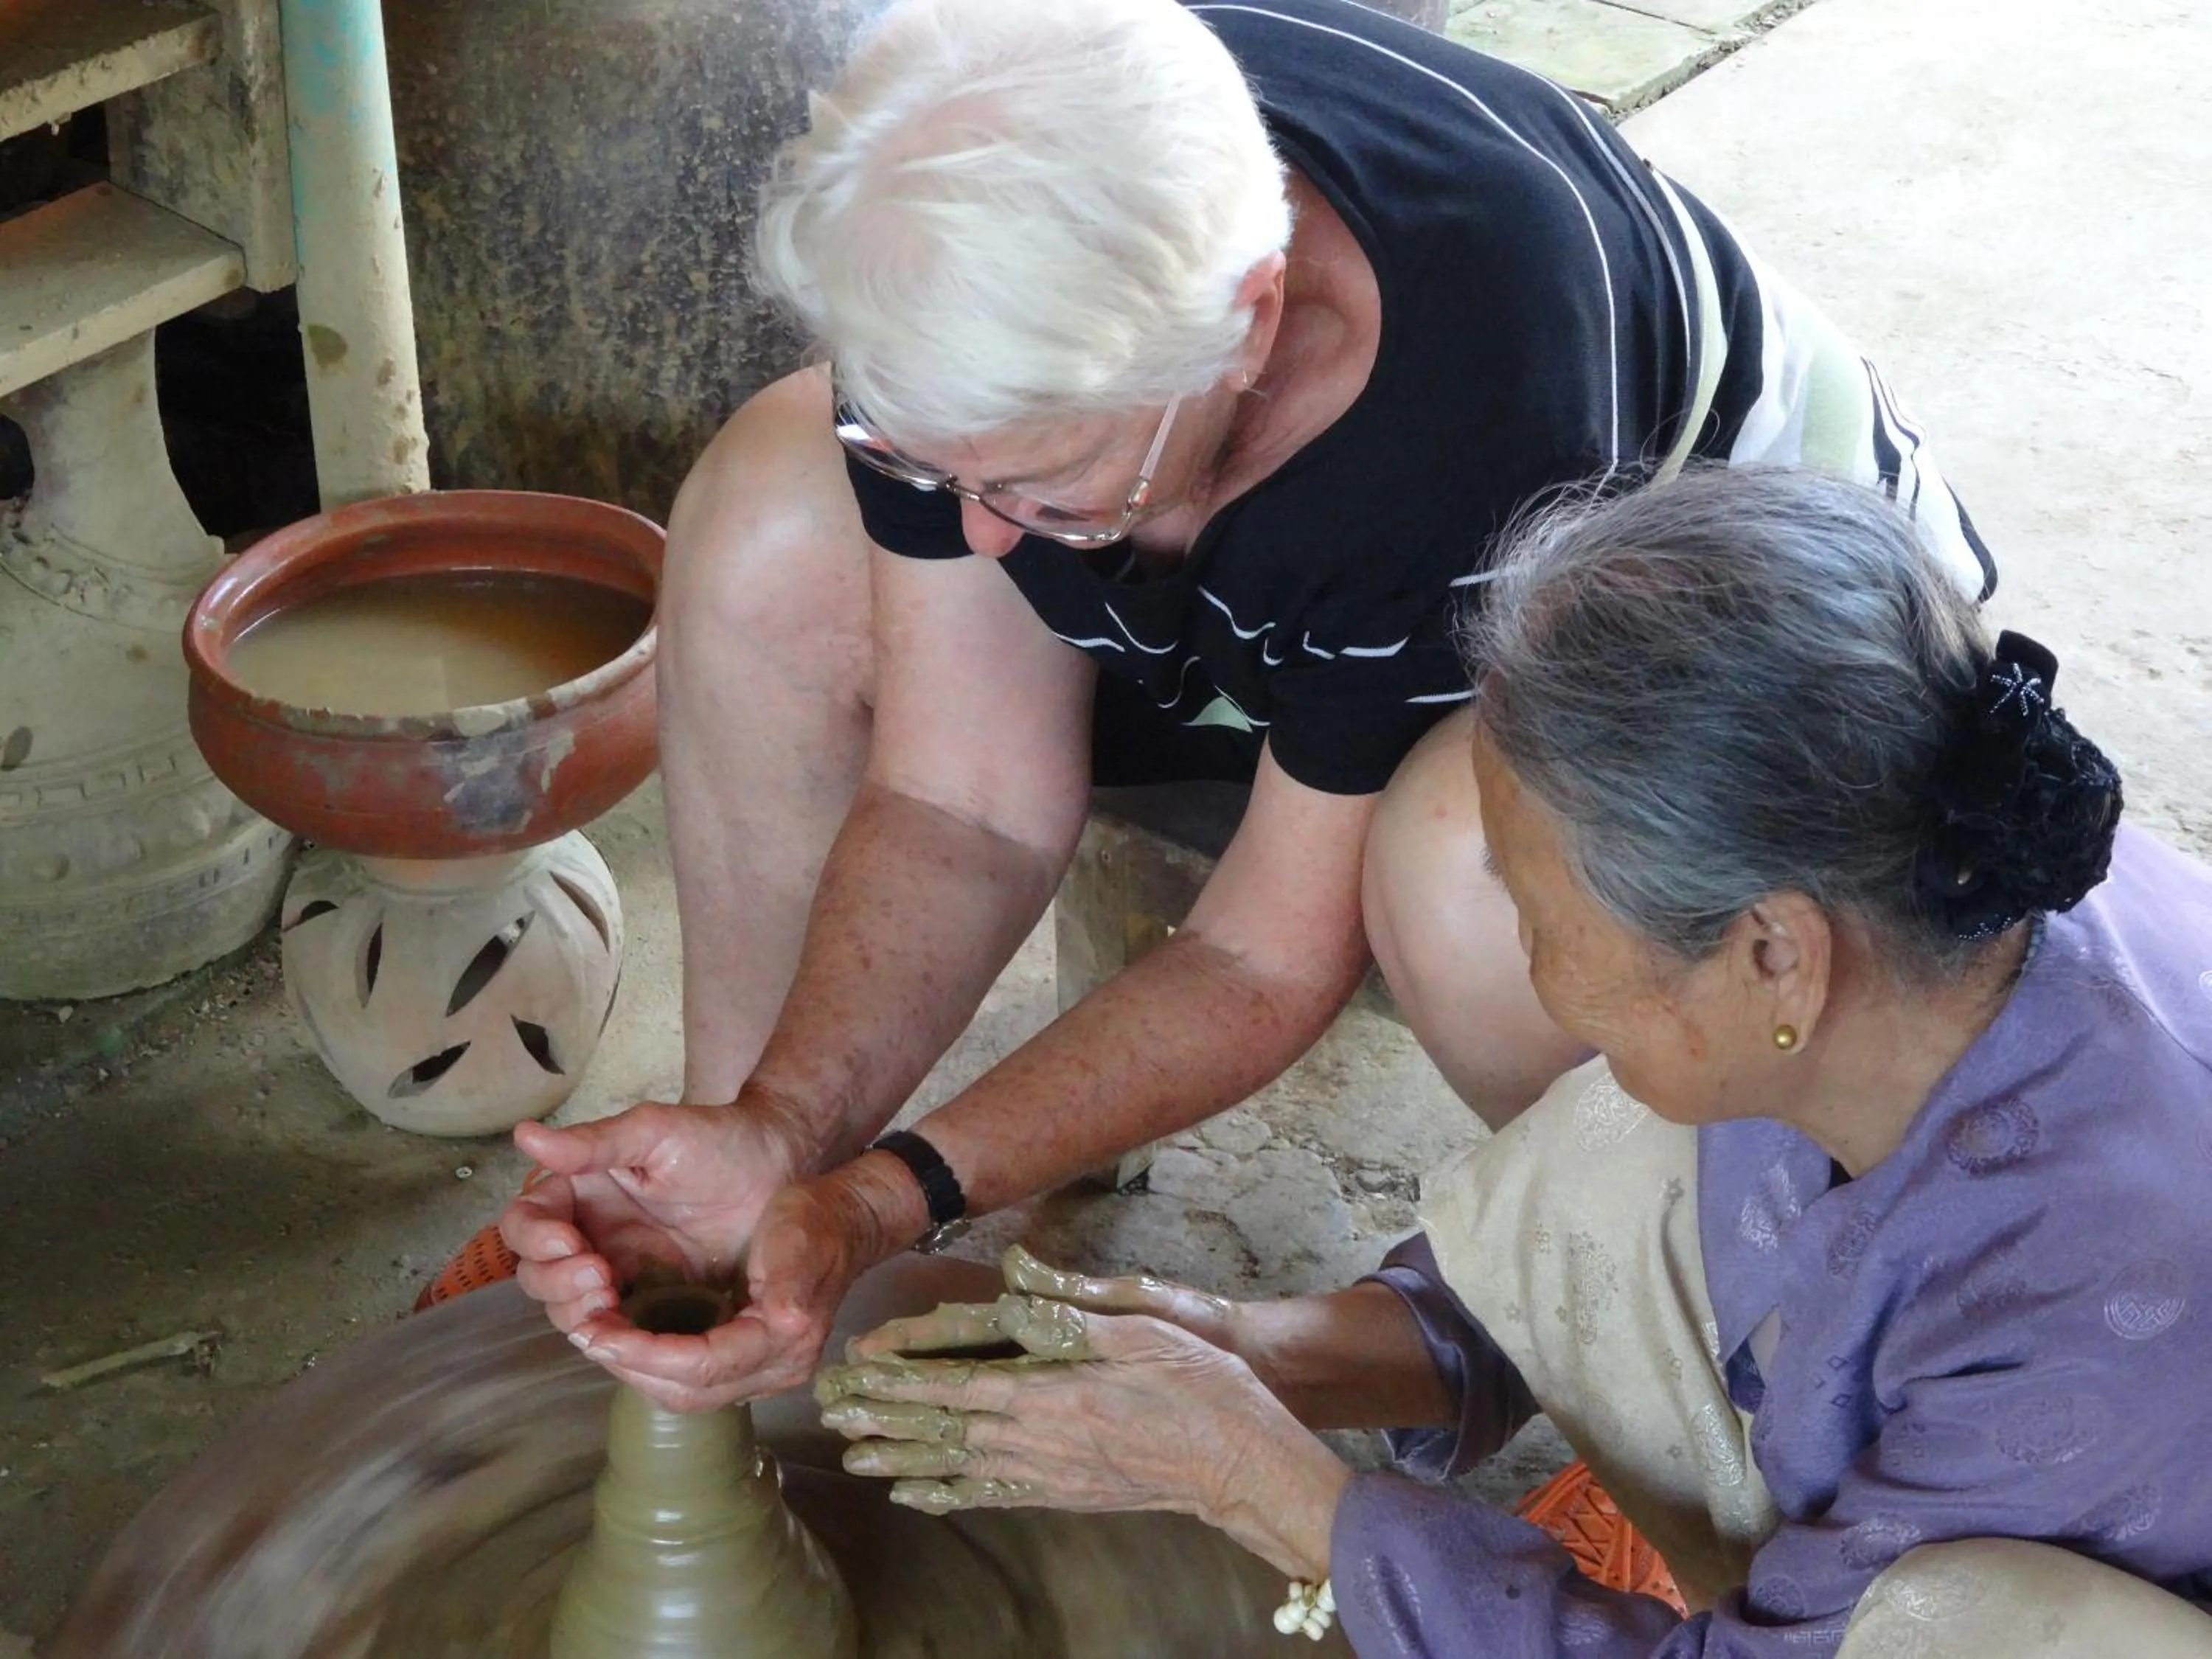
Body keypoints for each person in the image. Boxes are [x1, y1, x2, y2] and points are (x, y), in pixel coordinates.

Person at [499, 0, 1994, 1411]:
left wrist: (893, 1195)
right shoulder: (1023, 181)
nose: (988, 538)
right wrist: (792, 1138)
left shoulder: (1479, 416)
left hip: (1729, 686)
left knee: (1465, 870)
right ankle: (720, 1216)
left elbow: (1260, 953)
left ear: (1255, 314)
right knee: (771, 525)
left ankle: (1699, 1343)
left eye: (1033, 481)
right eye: (943, 464)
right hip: (1283, 580)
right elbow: (962, 797)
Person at [816, 470, 2212, 1658]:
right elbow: (1557, 1248)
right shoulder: (1933, 869)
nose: (1519, 942)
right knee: (1631, 1143)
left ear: (1774, 957)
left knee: (1962, 1609)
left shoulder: (2087, 1302)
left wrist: (1252, 1479)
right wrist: (1246, 1351)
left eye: (1538, 909)